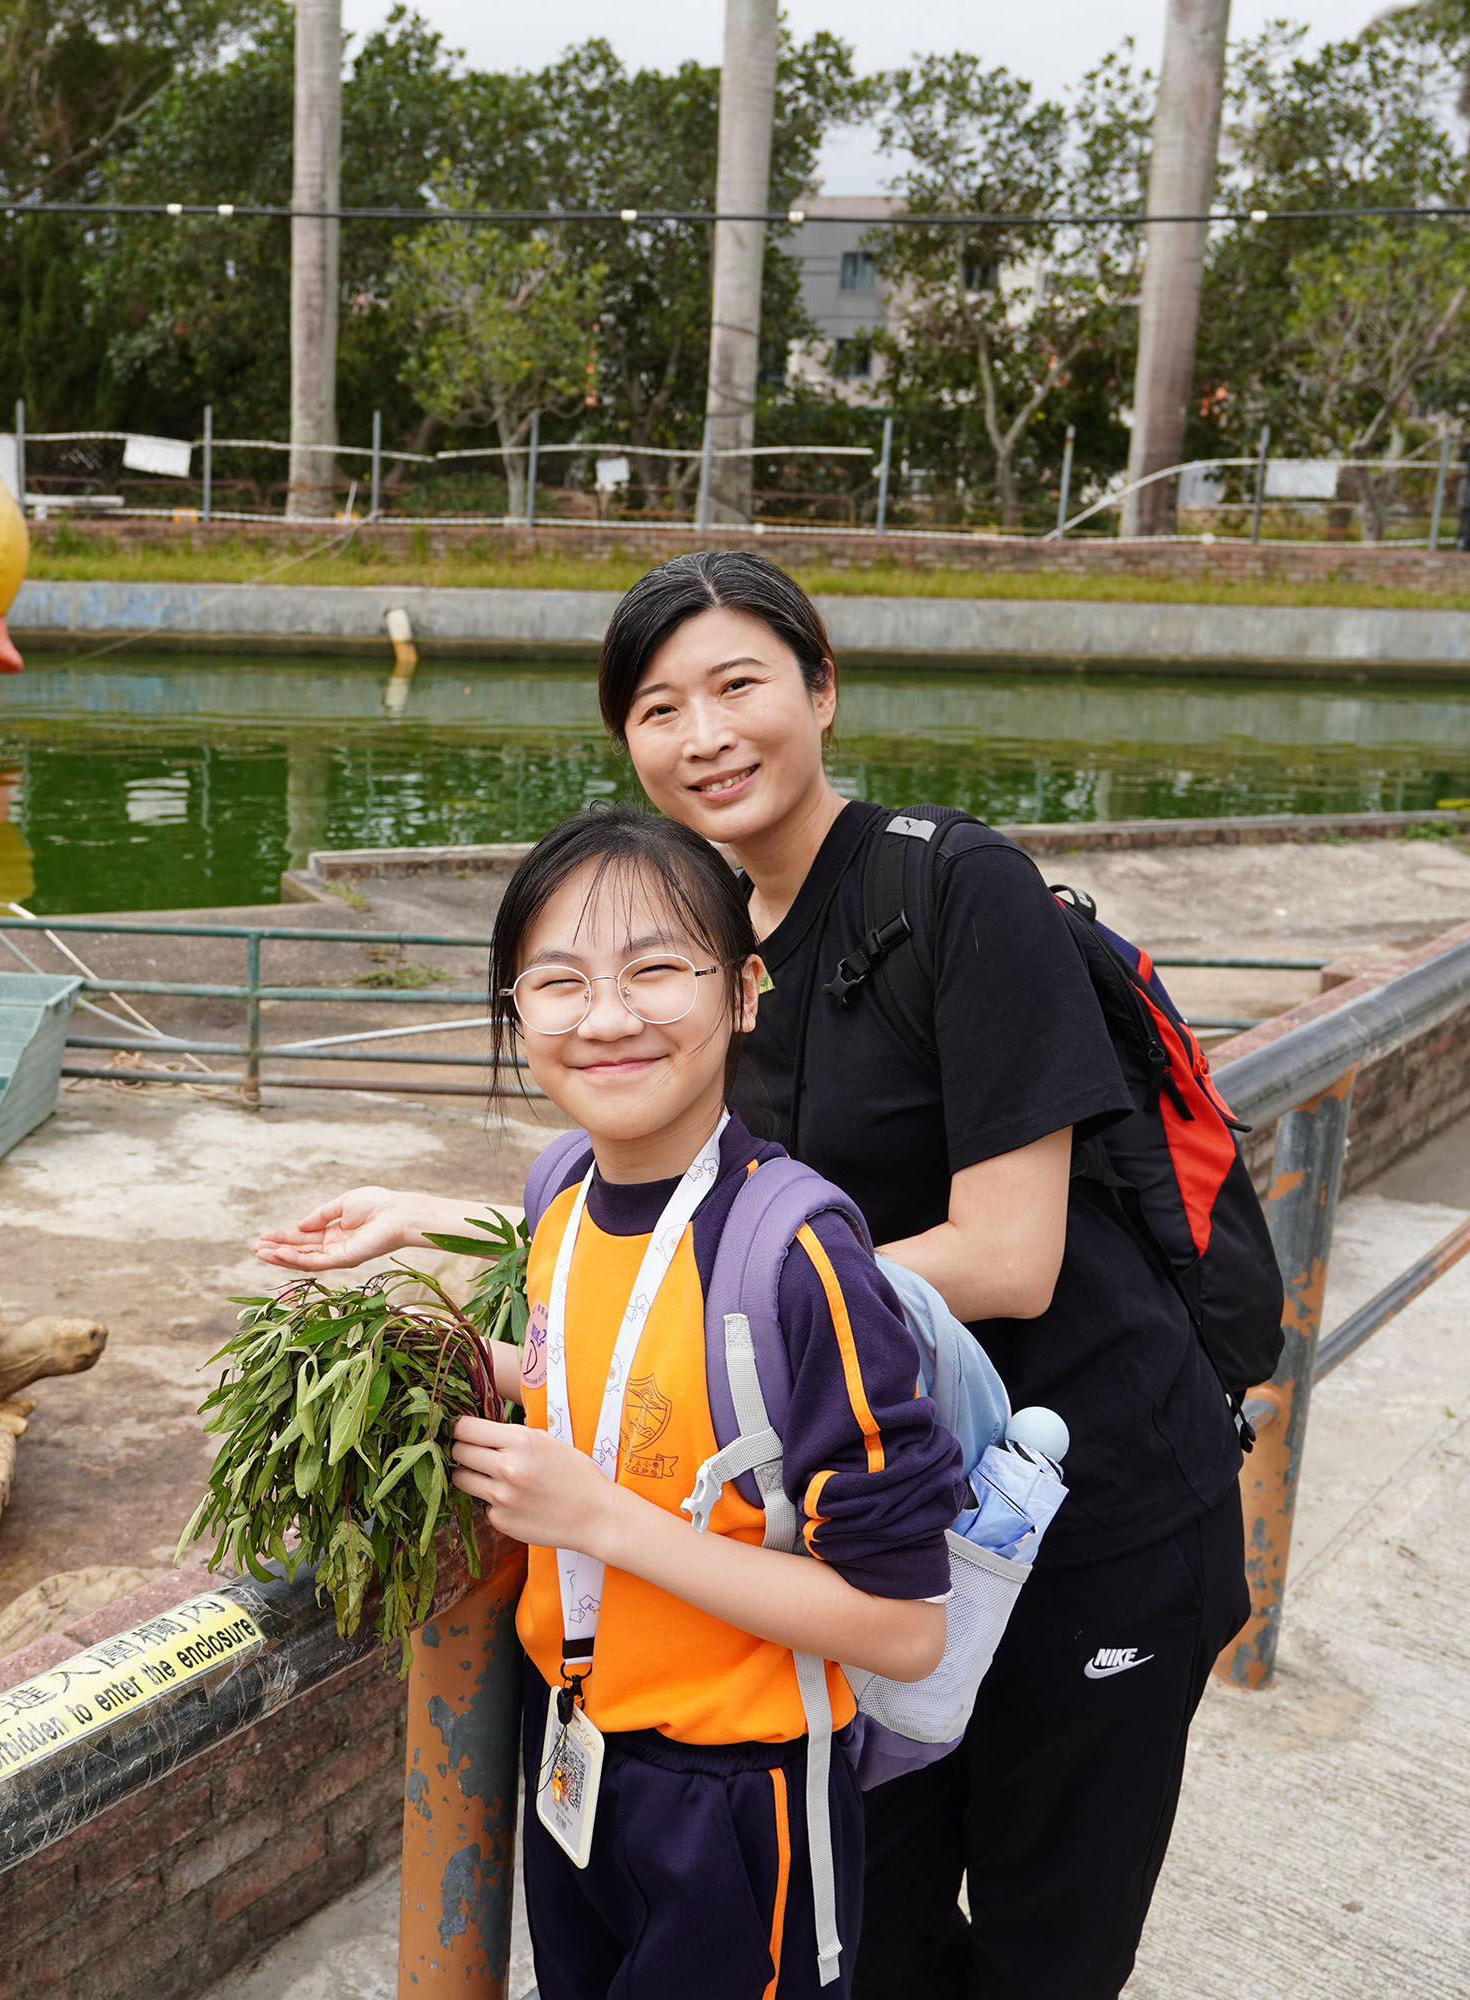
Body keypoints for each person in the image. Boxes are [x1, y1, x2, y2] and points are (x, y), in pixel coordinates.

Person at [256, 551, 1251, 1999]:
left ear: (822, 688)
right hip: (863, 1495)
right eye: (659, 708)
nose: (705, 736)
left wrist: (754, 1314)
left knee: (1047, 1943)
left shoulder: (955, 889)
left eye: (739, 685)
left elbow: (1007, 1258)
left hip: (1086, 1500)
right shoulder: (708, 934)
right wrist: (440, 1216)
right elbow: (697, 1219)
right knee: (876, 1930)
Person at [423, 806, 966, 1998]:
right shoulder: (559, 1193)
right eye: (559, 980)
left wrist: (601, 1518)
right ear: (517, 1010)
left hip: (741, 1788)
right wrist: (461, 1360)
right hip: (574, 1746)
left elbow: (904, 1624)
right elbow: (618, 1389)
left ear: (745, 991)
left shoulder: (802, 1254)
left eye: (656, 968)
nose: (607, 1015)